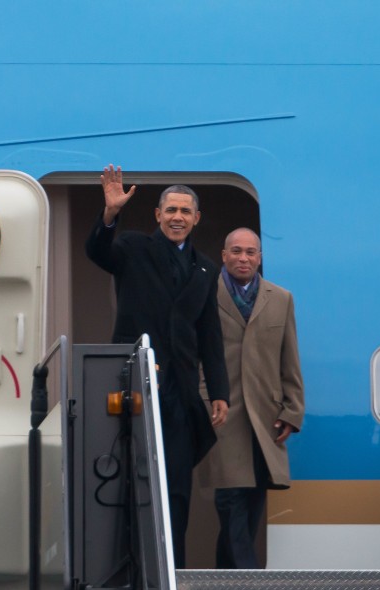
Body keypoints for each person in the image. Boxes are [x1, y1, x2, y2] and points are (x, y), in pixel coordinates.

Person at [85, 164, 229, 568]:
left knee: (177, 489)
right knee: (133, 479)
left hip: (181, 395)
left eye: (185, 211)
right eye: (171, 210)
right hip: (137, 386)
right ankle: (129, 568)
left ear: (196, 218)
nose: (178, 217)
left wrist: (219, 392)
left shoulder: (206, 269)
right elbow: (98, 251)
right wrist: (110, 214)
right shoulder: (132, 247)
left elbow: (210, 336)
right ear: (157, 215)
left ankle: (173, 571)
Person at [199, 227, 304, 569]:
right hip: (222, 411)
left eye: (251, 252)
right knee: (230, 499)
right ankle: (248, 579)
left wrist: (292, 411)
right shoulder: (204, 293)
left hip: (266, 416)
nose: (244, 258)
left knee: (254, 501)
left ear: (260, 257)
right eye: (237, 251)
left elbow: (290, 359)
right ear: (224, 255)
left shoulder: (281, 298)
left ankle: (224, 580)